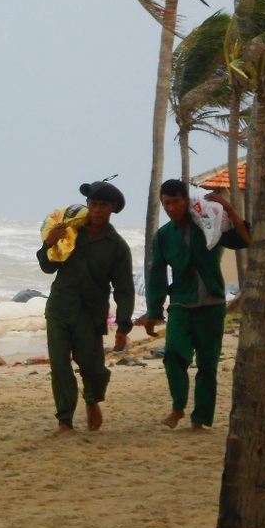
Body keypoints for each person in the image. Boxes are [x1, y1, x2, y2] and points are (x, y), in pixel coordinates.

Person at [142, 180, 251, 431]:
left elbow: (245, 239)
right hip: (181, 302)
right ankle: (178, 406)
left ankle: (199, 419)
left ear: (186, 201)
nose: (170, 207)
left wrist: (229, 209)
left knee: (207, 364)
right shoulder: (164, 236)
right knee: (173, 356)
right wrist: (154, 312)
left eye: (175, 201)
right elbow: (157, 274)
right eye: (166, 203)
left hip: (212, 304)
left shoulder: (209, 225)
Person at [36, 180, 134, 433]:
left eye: (103, 205)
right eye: (93, 204)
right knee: (59, 365)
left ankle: (92, 400)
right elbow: (48, 267)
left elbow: (123, 288)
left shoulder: (117, 246)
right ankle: (65, 420)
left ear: (112, 208)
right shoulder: (70, 232)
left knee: (93, 368)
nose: (97, 210)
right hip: (60, 307)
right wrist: (48, 244)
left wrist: (123, 324)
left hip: (90, 314)